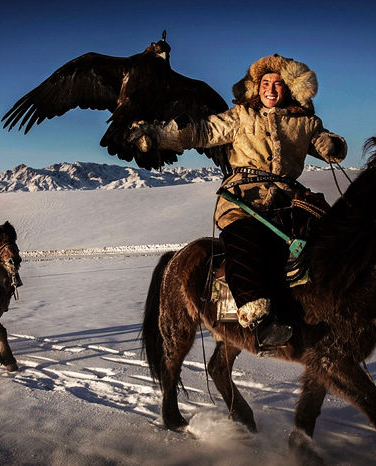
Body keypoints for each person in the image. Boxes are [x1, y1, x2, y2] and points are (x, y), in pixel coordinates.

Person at [129, 55, 347, 348]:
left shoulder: (305, 122)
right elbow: (203, 130)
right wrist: (157, 134)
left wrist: (332, 145)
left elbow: (326, 143)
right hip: (246, 197)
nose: (271, 89)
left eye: (278, 84)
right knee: (245, 239)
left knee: (331, 233)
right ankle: (258, 318)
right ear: (256, 87)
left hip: (288, 197)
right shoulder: (241, 116)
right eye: (265, 83)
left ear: (291, 89)